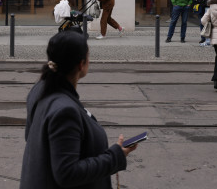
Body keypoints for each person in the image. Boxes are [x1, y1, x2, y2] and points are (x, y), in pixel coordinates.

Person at [20, 29, 136, 188]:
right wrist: (115, 156)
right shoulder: (64, 111)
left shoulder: (40, 89)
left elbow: (35, 140)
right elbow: (67, 173)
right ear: (81, 64)